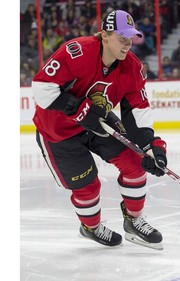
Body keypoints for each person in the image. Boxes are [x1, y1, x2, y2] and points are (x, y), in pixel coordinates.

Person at [31, 10, 168, 250]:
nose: (127, 44)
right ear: (105, 35)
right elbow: (42, 88)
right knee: (88, 186)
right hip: (58, 132)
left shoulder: (132, 68)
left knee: (136, 162)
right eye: (121, 37)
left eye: (130, 38)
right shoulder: (78, 52)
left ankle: (134, 221)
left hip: (98, 123)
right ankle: (91, 227)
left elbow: (138, 109)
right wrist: (79, 109)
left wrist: (150, 146)